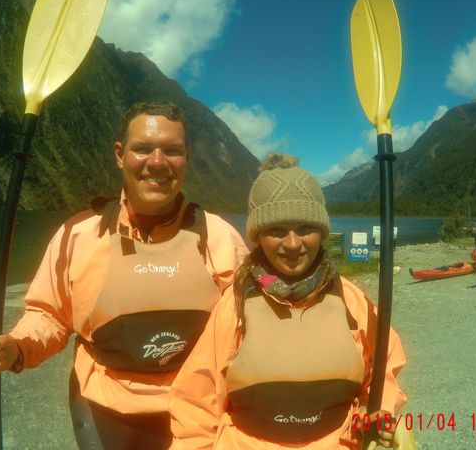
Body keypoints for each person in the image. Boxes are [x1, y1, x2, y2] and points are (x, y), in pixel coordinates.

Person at [0, 101, 249, 449]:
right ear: (120, 155)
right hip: (104, 404)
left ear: (187, 157)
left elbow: (247, 330)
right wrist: (16, 348)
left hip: (198, 408)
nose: (157, 162)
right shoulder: (79, 236)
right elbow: (49, 316)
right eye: (143, 149)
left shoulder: (221, 238)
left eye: (172, 150)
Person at [169, 153, 411, 449]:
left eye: (305, 228)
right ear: (259, 235)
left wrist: (377, 415)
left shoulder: (352, 301)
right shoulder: (235, 306)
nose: (293, 244)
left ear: (321, 231)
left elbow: (383, 372)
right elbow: (195, 403)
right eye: (276, 230)